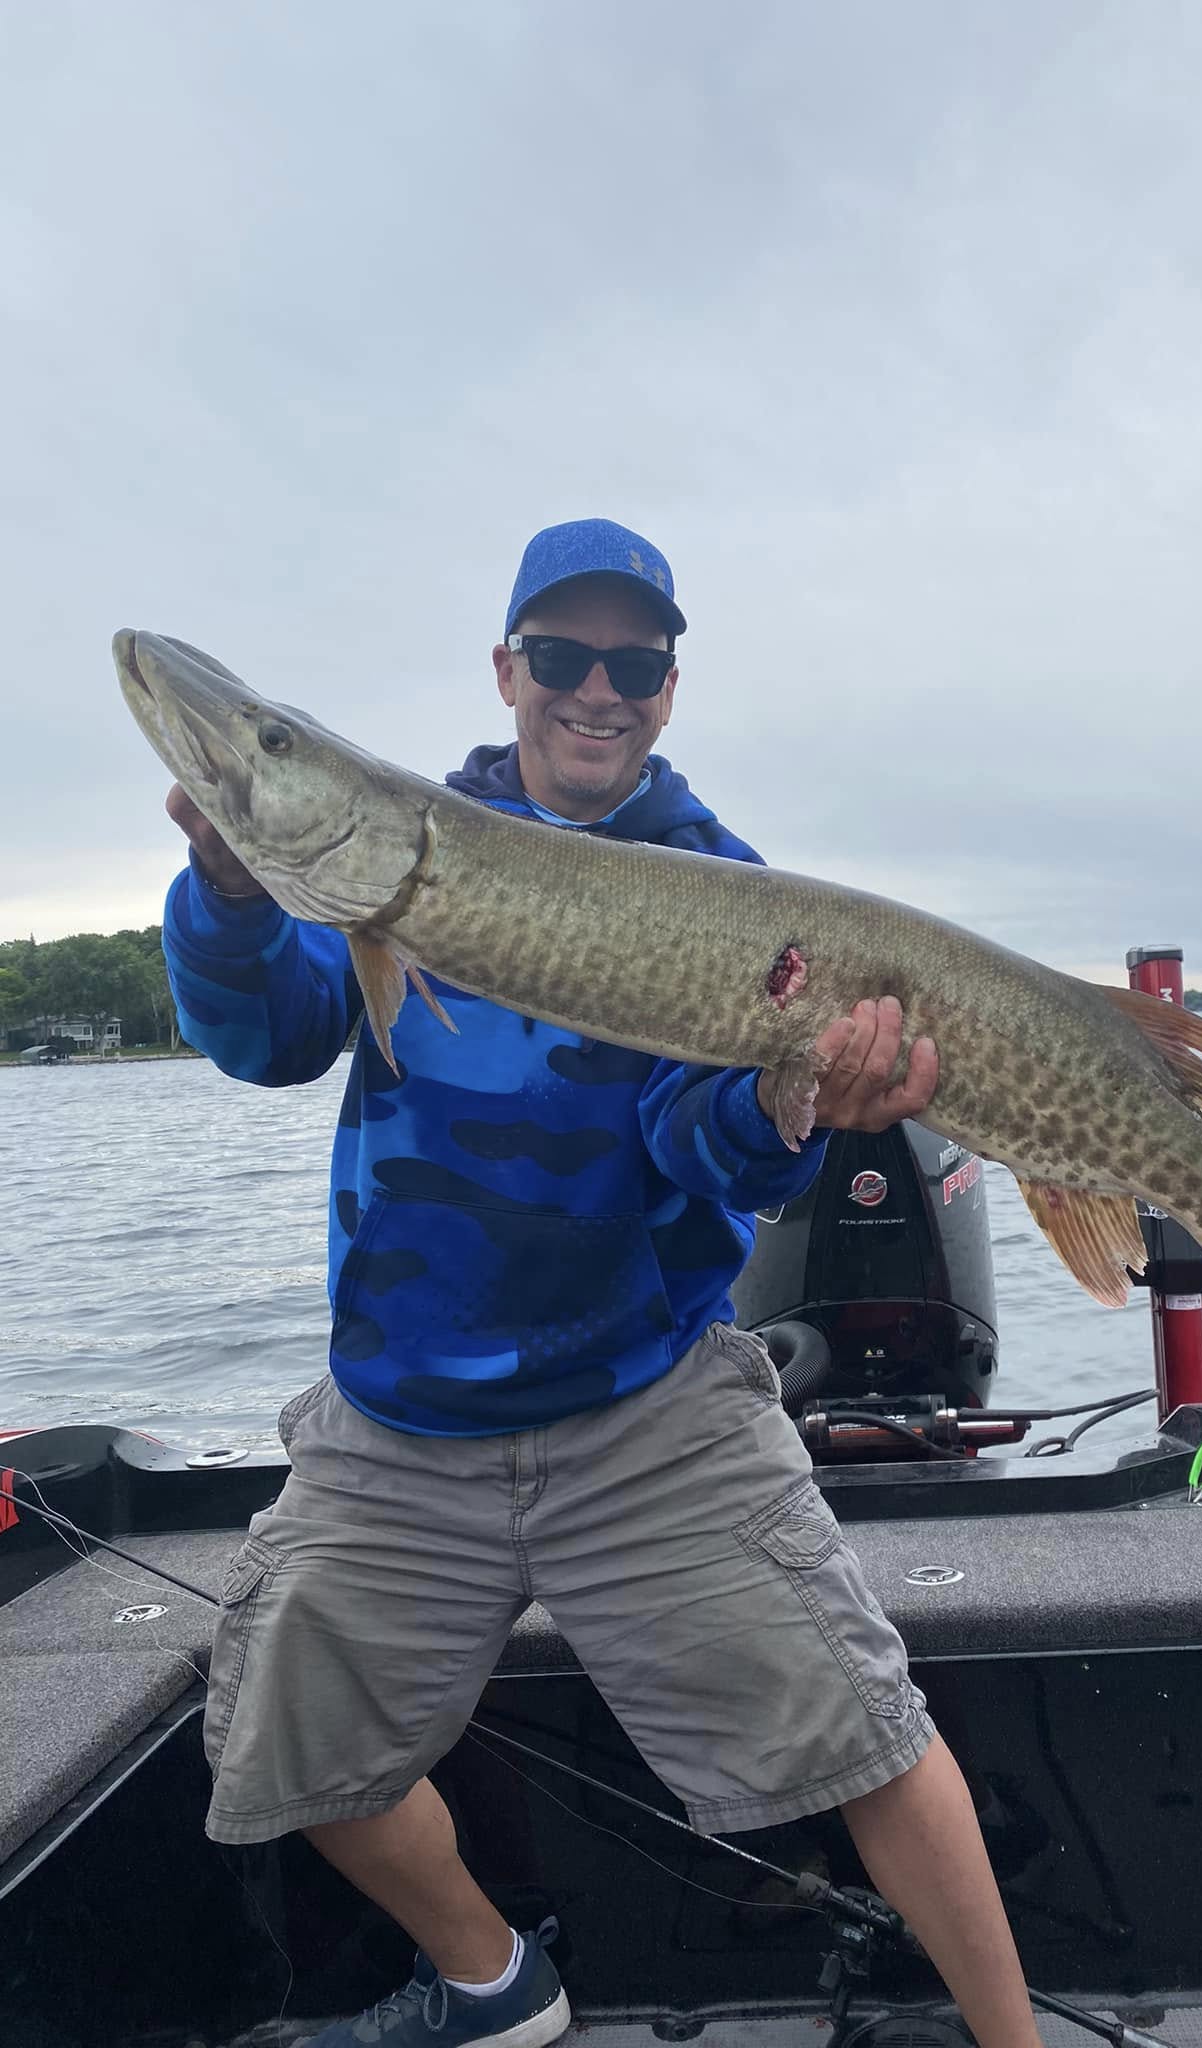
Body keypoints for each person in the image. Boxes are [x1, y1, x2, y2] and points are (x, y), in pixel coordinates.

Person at [162, 518, 1046, 2048]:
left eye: (634, 667)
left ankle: (1013, 2041)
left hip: (647, 1405)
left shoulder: (723, 890)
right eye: (563, 656)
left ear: (669, 691)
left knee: (868, 1734)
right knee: (280, 1746)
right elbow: (267, 1036)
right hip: (402, 1417)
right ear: (508, 670)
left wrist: (789, 1099)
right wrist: (230, 896)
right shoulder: (390, 853)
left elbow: (697, 1143)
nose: (597, 690)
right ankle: (497, 1983)